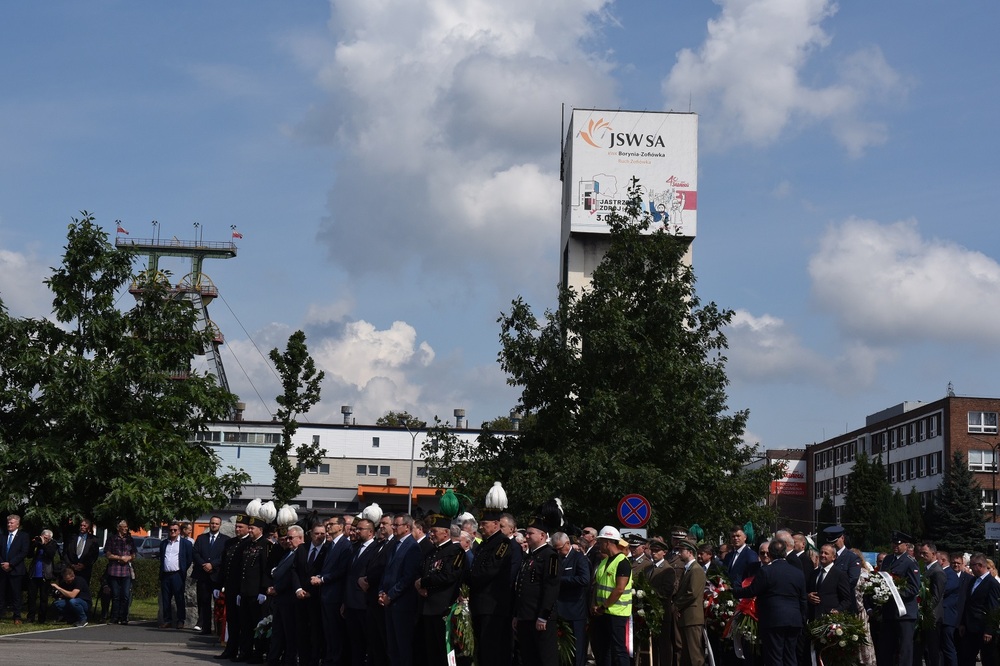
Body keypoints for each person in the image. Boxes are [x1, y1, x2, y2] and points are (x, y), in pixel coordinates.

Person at [733, 539, 805, 666]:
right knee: (790, 656)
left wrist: (734, 591)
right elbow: (803, 599)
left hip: (774, 620)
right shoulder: (797, 573)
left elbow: (752, 590)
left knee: (775, 657)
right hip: (794, 620)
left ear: (770, 553)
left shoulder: (766, 571)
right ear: (785, 552)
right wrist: (803, 619)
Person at [466, 505, 516, 666]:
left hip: (493, 605)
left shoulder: (503, 543)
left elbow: (490, 570)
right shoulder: (483, 545)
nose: (481, 527)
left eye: (484, 524)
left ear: (495, 524)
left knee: (492, 649)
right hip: (480, 604)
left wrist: (470, 578)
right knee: (482, 648)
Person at [416, 513, 466, 666]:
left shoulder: (455, 552)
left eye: (434, 531)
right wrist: (419, 584)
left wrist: (423, 583)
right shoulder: (431, 552)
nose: (431, 534)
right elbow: (421, 571)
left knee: (445, 651)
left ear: (446, 532)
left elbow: (448, 576)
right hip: (427, 608)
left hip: (443, 609)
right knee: (431, 652)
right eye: (430, 531)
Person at [513, 516, 561, 666]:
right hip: (525, 616)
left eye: (530, 533)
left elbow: (551, 587)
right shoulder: (529, 556)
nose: (526, 536)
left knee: (545, 658)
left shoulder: (550, 556)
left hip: (540, 617)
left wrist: (543, 615)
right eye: (526, 533)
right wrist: (517, 615)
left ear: (542, 535)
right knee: (528, 657)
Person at [379, 513, 422, 666]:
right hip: (389, 604)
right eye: (394, 525)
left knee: (403, 647)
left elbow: (408, 577)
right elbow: (387, 572)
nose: (394, 528)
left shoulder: (412, 547)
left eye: (397, 525)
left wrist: (390, 595)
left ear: (407, 528)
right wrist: (382, 592)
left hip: (402, 605)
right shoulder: (394, 545)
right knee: (392, 648)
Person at [313, 513, 353, 666]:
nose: (328, 526)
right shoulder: (330, 545)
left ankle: (336, 660)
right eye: (327, 524)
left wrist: (323, 579)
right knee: (328, 631)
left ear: (341, 527)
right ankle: (329, 658)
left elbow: (342, 570)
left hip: (336, 595)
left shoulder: (345, 545)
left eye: (332, 524)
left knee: (335, 631)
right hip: (326, 595)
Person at [591, 525, 634, 666]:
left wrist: (603, 606)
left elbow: (619, 589)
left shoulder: (622, 562)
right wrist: (595, 605)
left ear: (608, 542)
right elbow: (597, 585)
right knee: (604, 649)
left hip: (616, 613)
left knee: (619, 649)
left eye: (600, 541)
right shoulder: (604, 561)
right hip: (602, 612)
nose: (598, 545)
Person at [875, 531, 920, 666]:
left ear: (906, 545)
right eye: (893, 543)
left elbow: (914, 588)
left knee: (904, 649)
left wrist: (894, 592)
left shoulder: (910, 562)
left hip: (904, 613)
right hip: (889, 612)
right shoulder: (888, 559)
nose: (895, 546)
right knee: (885, 648)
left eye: (898, 544)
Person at [235, 516, 272, 663]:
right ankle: (245, 652)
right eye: (249, 528)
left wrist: (263, 591)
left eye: (252, 528)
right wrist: (239, 591)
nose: (249, 531)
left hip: (257, 593)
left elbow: (266, 569)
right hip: (245, 591)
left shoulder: (266, 545)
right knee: (245, 624)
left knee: (258, 625)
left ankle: (258, 654)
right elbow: (242, 570)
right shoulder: (248, 545)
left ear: (260, 530)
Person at [266, 525, 305, 666]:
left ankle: (289, 661)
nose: (288, 541)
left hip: (289, 599)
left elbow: (291, 575)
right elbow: (278, 572)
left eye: (290, 538)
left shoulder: (300, 552)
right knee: (278, 632)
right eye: (286, 538)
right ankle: (274, 659)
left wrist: (277, 588)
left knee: (290, 634)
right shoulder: (288, 552)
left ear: (300, 538)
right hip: (280, 600)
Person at [215, 513, 250, 661]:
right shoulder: (230, 543)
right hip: (229, 588)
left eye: (241, 527)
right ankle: (230, 650)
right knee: (231, 621)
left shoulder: (249, 543)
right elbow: (224, 566)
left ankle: (243, 651)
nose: (237, 529)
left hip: (241, 589)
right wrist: (219, 585)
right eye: (236, 526)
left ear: (248, 528)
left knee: (242, 622)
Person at [554, 531, 591, 666]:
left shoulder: (578, 558)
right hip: (559, 610)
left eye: (560, 548)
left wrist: (561, 580)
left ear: (568, 544)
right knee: (561, 650)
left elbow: (584, 579)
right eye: (556, 549)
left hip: (575, 609)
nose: (558, 551)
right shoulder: (556, 558)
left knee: (577, 649)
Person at [344, 518, 377, 666]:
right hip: (351, 603)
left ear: (370, 532)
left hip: (364, 603)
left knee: (368, 642)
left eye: (360, 529)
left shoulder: (375, 548)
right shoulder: (356, 547)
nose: (356, 531)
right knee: (354, 642)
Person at [958, 552, 1000, 666]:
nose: (970, 568)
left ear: (980, 565)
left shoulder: (992, 583)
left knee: (988, 659)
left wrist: (989, 630)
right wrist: (963, 623)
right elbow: (967, 603)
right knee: (966, 658)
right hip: (970, 628)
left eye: (972, 565)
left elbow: (994, 608)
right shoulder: (973, 581)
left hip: (983, 629)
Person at [297, 522, 329, 666]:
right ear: (310, 534)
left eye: (322, 534)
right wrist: (298, 589)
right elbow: (294, 570)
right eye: (316, 533)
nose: (319, 537)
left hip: (316, 597)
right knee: (302, 631)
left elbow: (326, 573)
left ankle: (314, 660)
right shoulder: (302, 548)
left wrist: (312, 592)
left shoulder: (328, 550)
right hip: (300, 596)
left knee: (316, 632)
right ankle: (303, 660)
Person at [193, 515, 229, 635]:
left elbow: (223, 557)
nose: (214, 525)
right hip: (203, 576)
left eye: (216, 524)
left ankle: (219, 630)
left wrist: (212, 565)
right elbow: (196, 553)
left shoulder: (225, 540)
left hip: (216, 576)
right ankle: (206, 628)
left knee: (219, 604)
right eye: (212, 523)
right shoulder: (201, 538)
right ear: (209, 524)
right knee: (204, 603)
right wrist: (204, 564)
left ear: (220, 525)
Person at [673, 539, 706, 666]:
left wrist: (676, 605)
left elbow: (691, 593)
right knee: (686, 653)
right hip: (687, 617)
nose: (679, 553)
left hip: (692, 617)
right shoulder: (688, 569)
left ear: (690, 552)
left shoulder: (696, 570)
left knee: (694, 654)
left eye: (682, 551)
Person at [159, 521, 194, 630]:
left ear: (179, 531)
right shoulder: (164, 543)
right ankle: (167, 620)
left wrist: (183, 569)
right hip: (165, 574)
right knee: (165, 599)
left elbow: (189, 559)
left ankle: (180, 620)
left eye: (175, 530)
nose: (172, 532)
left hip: (177, 574)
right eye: (170, 530)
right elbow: (162, 558)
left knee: (179, 598)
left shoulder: (185, 543)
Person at [646, 539, 676, 666]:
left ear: (664, 553)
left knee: (663, 644)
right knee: (651, 643)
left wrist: (649, 595)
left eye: (657, 551)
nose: (654, 553)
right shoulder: (649, 568)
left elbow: (666, 591)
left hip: (662, 612)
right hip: (649, 611)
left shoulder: (668, 569)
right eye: (652, 551)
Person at [103, 519, 137, 625]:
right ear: (119, 528)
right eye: (124, 527)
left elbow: (134, 554)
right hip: (114, 571)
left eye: (127, 527)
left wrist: (129, 558)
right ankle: (114, 617)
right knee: (116, 595)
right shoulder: (112, 539)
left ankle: (124, 617)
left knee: (126, 595)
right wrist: (119, 557)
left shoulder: (130, 540)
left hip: (126, 572)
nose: (126, 529)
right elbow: (108, 554)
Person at [806, 543, 852, 620]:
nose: (822, 555)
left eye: (826, 553)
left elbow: (847, 600)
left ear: (834, 557)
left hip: (829, 619)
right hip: (813, 617)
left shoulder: (839, 574)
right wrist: (808, 596)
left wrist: (837, 610)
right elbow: (807, 590)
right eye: (821, 552)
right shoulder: (814, 573)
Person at [0, 514, 30, 624]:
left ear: (17, 524)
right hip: (2, 569)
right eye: (8, 522)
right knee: (1, 594)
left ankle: (17, 616)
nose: (9, 524)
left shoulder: (23, 536)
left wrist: (11, 564)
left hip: (16, 569)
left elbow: (23, 552)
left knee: (16, 594)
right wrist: (3, 564)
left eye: (11, 523)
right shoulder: (3, 536)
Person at [26, 528, 58, 623]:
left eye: (47, 538)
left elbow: (50, 554)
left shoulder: (52, 544)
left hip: (46, 574)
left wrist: (43, 544)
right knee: (31, 596)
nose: (45, 539)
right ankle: (31, 616)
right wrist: (34, 545)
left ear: (50, 539)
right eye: (44, 537)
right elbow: (29, 555)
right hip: (34, 574)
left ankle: (42, 618)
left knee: (43, 597)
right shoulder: (37, 543)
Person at [940, 550, 965, 666]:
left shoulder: (950, 575)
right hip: (943, 617)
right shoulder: (947, 573)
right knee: (942, 648)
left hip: (948, 617)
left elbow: (942, 591)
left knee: (948, 648)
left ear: (943, 561)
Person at [822, 526, 862, 592]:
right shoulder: (825, 557)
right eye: (830, 542)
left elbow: (852, 580)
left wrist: (833, 591)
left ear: (842, 538)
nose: (832, 544)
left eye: (835, 541)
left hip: (842, 597)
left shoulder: (852, 558)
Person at [65, 518, 100, 583]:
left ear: (88, 528)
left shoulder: (93, 540)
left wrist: (84, 565)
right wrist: (71, 565)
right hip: (71, 569)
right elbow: (66, 553)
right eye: (81, 525)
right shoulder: (72, 538)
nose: (82, 527)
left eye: (84, 526)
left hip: (85, 571)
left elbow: (94, 556)